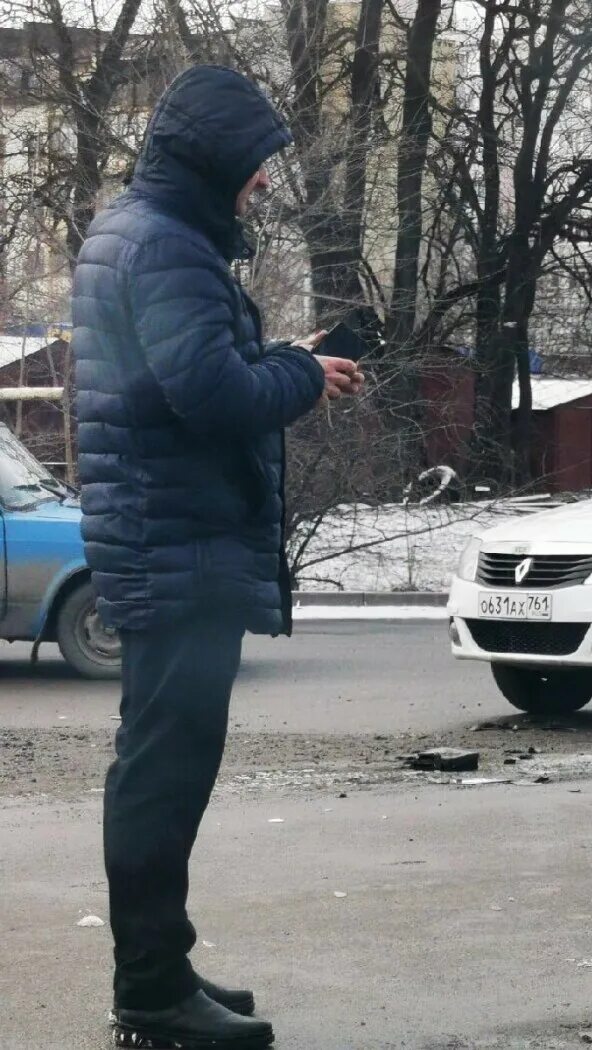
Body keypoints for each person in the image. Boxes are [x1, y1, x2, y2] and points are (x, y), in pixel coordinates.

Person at [73, 65, 363, 1049]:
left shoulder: (143, 234)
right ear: (213, 163)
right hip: (178, 544)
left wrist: (280, 355)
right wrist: (297, 371)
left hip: (164, 537)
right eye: (255, 167)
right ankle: (151, 995)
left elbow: (182, 374)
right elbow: (212, 396)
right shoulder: (167, 250)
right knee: (162, 775)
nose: (265, 185)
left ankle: (162, 968)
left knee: (157, 768)